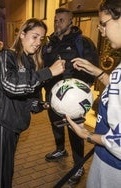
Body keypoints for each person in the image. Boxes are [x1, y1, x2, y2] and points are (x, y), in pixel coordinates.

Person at [0, 18, 65, 188]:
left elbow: (27, 99)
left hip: (14, 125)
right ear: (22, 34)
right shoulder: (6, 56)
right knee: (3, 175)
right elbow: (11, 85)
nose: (38, 42)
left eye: (41, 39)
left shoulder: (29, 62)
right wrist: (48, 72)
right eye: (34, 36)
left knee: (4, 170)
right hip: (0, 124)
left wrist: (42, 104)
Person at [66, 0, 121, 187]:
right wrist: (98, 72)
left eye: (104, 24)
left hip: (114, 167)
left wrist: (86, 135)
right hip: (105, 157)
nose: (101, 30)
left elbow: (119, 142)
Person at [42, 8, 99, 185]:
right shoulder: (49, 44)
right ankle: (60, 149)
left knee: (75, 131)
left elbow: (92, 69)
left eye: (61, 20)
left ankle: (78, 165)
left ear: (70, 22)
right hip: (53, 96)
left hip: (73, 99)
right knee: (55, 124)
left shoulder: (82, 42)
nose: (57, 23)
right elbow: (44, 68)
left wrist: (78, 90)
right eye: (55, 20)